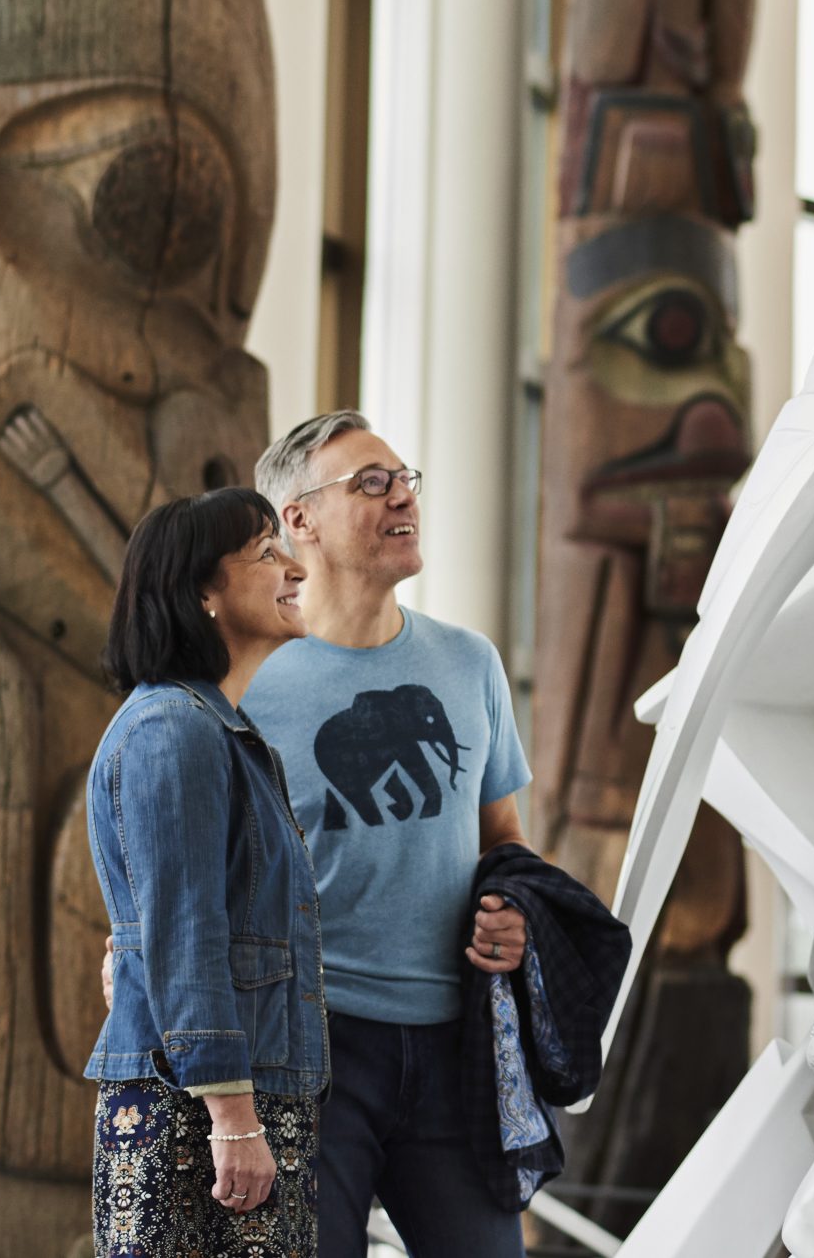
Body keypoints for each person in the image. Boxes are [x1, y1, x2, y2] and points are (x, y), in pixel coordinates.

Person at [246, 411, 537, 1258]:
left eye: (405, 477)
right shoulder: (252, 683)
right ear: (299, 520)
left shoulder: (469, 662)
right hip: (311, 1053)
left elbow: (504, 837)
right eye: (372, 483)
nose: (404, 495)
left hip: (454, 1047)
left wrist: (514, 912)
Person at [86, 489, 325, 1257]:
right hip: (197, 1116)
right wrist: (235, 1121)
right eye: (266, 554)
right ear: (202, 592)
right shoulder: (174, 730)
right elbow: (186, 936)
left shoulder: (216, 729)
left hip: (231, 1098)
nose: (294, 568)